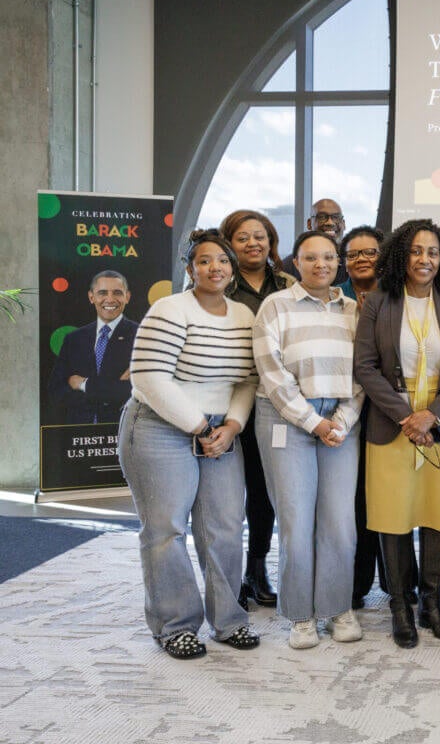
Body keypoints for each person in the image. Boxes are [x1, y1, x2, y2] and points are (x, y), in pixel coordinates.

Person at [118, 229, 260, 659]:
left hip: (221, 432)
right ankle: (175, 625)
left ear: (232, 269)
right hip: (160, 427)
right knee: (167, 530)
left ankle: (229, 620)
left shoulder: (244, 317)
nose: (214, 267)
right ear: (190, 268)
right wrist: (200, 427)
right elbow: (149, 378)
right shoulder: (170, 308)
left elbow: (247, 380)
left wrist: (232, 426)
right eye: (203, 260)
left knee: (224, 528)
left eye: (222, 260)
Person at [353, 219, 440, 648]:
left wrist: (433, 415)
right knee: (393, 516)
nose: (425, 259)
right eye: (416, 251)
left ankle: (431, 602)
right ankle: (400, 606)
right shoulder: (379, 301)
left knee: (439, 514)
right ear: (401, 256)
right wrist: (408, 416)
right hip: (392, 426)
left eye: (434, 252)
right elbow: (365, 367)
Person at [253, 231, 365, 648]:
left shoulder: (353, 310)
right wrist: (312, 422)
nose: (321, 264)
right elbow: (271, 371)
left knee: (340, 521)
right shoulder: (275, 306)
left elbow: (363, 372)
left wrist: (342, 420)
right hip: (285, 416)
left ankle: (338, 608)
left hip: (340, 420)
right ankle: (300, 615)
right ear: (295, 262)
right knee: (296, 521)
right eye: (311, 257)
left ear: (339, 263)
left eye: (329, 257)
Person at [219, 208, 295, 610]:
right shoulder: (218, 284)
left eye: (260, 235)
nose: (253, 243)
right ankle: (227, 576)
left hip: (273, 400)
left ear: (271, 241)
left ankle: (257, 567)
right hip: (225, 399)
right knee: (226, 494)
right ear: (228, 244)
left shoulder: (287, 284)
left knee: (264, 492)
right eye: (243, 237)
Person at [336, 225, 396, 610]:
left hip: (388, 408)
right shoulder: (332, 297)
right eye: (354, 254)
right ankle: (355, 583)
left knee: (387, 497)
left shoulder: (398, 298)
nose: (362, 259)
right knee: (353, 500)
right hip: (341, 412)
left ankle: (394, 581)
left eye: (370, 252)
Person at [48, 270, 137, 424]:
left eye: (117, 293)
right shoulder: (74, 339)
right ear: (91, 297)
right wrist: (108, 392)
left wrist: (82, 384)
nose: (110, 299)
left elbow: (134, 392)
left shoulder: (142, 336)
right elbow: (56, 390)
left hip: (122, 431)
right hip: (79, 434)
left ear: (127, 297)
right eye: (102, 293)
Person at [280, 199, 349, 284]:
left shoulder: (354, 261)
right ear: (309, 224)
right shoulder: (289, 266)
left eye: (336, 217)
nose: (330, 223)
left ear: (344, 224)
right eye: (322, 217)